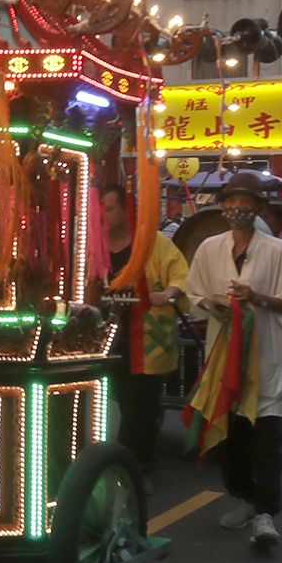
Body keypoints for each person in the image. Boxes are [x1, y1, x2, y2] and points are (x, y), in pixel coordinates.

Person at [185, 173, 282, 547]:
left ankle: (266, 513)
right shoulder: (209, 248)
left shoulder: (277, 251)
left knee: (264, 438)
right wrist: (214, 304)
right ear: (222, 206)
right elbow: (194, 293)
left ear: (258, 208)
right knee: (230, 436)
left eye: (245, 202)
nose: (237, 209)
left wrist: (256, 298)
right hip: (224, 354)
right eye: (231, 202)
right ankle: (242, 497)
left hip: (264, 354)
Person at [101, 184, 188, 483]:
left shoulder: (154, 243)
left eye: (109, 208)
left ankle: (138, 469)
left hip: (146, 338)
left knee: (139, 406)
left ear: (127, 211)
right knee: (106, 402)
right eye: (99, 209)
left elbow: (181, 277)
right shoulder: (91, 243)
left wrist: (167, 293)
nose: (104, 215)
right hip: (102, 338)